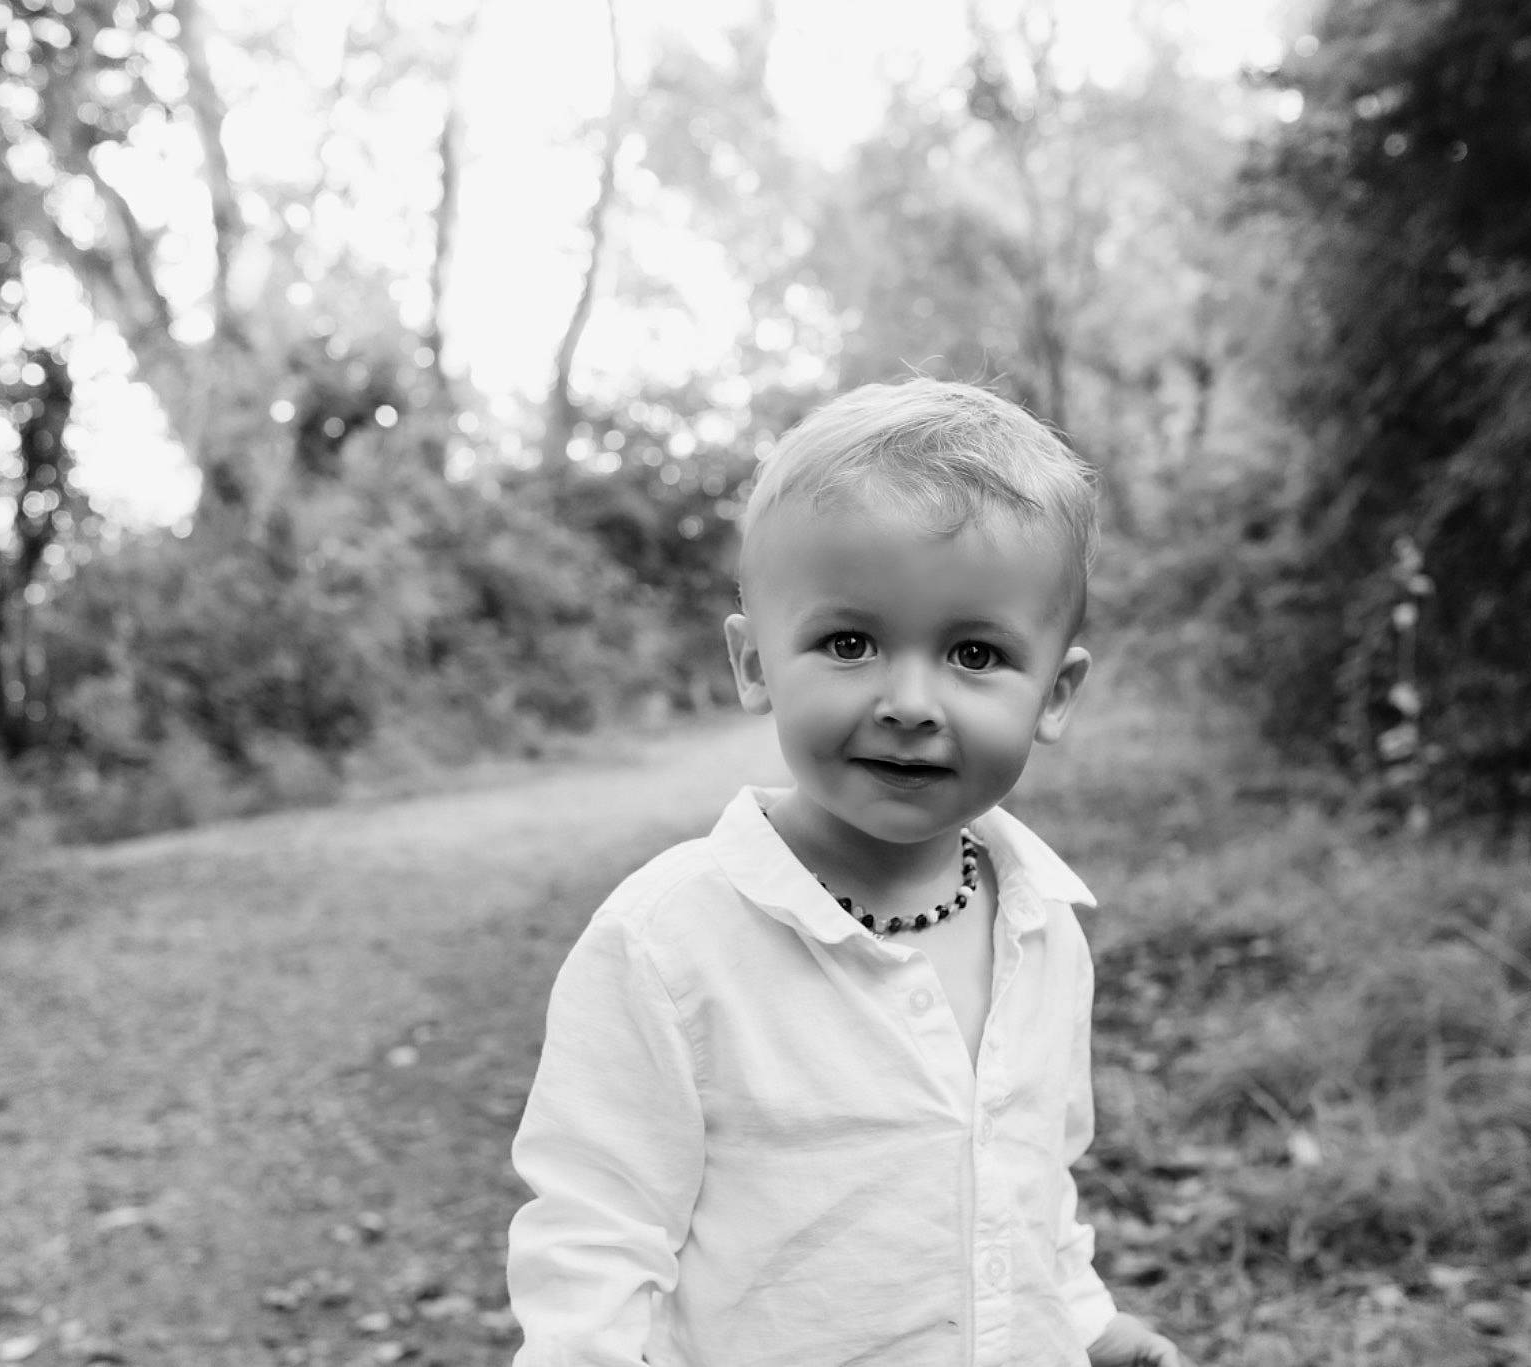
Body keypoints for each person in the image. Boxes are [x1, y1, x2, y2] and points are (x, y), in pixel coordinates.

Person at [506, 378, 1189, 1367]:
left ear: (1055, 690)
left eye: (973, 651)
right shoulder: (670, 938)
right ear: (753, 665)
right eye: (848, 642)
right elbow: (595, 1234)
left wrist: (1083, 1319)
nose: (909, 700)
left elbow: (1028, 1182)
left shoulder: (1043, 929)